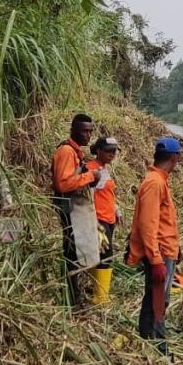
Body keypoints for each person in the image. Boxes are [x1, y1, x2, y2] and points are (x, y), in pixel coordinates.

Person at [127, 136, 183, 353]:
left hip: (165, 250)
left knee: (156, 298)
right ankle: (158, 347)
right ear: (175, 157)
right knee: (158, 300)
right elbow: (147, 225)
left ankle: (149, 342)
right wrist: (157, 259)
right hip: (159, 254)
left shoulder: (159, 180)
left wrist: (176, 249)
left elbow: (162, 222)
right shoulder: (154, 183)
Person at [51, 113, 104, 307]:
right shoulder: (66, 151)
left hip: (74, 209)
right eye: (84, 131)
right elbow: (63, 184)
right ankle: (72, 301)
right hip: (69, 210)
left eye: (90, 131)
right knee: (71, 254)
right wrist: (91, 176)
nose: (88, 135)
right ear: (73, 130)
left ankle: (75, 298)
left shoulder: (75, 152)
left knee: (75, 253)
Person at [85, 137, 123, 269]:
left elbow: (108, 194)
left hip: (109, 218)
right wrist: (94, 221)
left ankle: (96, 286)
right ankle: (100, 289)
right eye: (108, 151)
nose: (112, 154)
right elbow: (88, 197)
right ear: (99, 150)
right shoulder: (91, 169)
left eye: (114, 151)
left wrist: (116, 209)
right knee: (105, 257)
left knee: (103, 256)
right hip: (99, 220)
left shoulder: (104, 169)